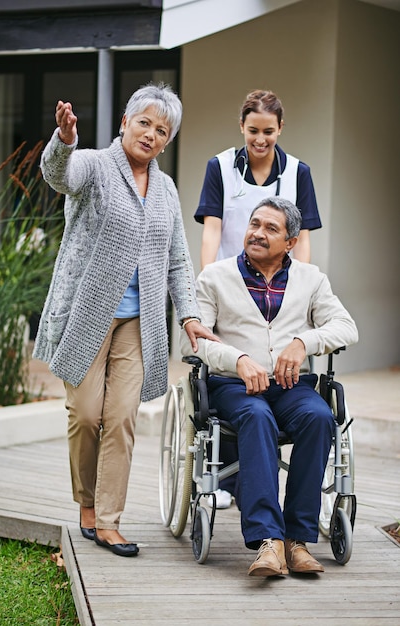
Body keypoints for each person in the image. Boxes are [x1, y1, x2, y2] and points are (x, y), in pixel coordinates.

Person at [33, 83, 216, 558]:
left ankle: (109, 520)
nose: (152, 135)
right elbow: (58, 175)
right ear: (124, 123)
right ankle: (87, 503)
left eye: (162, 130)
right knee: (86, 414)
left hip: (139, 322)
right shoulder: (94, 164)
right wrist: (65, 138)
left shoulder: (166, 188)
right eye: (145, 124)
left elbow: (177, 259)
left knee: (120, 419)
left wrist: (190, 316)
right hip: (87, 313)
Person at [180, 197, 358, 577]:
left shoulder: (312, 279)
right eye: (254, 224)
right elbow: (191, 342)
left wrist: (302, 342)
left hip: (291, 385)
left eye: (271, 229)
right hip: (233, 386)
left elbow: (346, 327)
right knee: (257, 417)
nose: (257, 233)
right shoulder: (215, 276)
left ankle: (297, 539)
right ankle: (268, 542)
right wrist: (238, 359)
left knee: (319, 416)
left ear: (290, 242)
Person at [195, 89, 322, 508]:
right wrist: (206, 283)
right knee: (236, 375)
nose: (260, 140)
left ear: (280, 128)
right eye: (253, 131)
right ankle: (228, 483)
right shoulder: (220, 167)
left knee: (282, 388)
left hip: (278, 283)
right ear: (242, 127)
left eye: (269, 131)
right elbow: (212, 229)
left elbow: (301, 240)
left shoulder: (298, 172)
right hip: (231, 285)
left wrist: (298, 288)